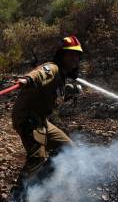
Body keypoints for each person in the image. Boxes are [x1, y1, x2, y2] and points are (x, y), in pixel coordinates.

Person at [11, 35, 83, 185]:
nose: (74, 59)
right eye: (70, 54)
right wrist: (28, 79)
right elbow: (42, 72)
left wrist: (68, 92)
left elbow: (52, 96)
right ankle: (17, 199)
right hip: (28, 118)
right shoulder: (53, 68)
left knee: (68, 149)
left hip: (41, 120)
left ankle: (38, 186)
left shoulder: (62, 77)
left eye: (77, 55)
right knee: (37, 158)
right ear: (62, 55)